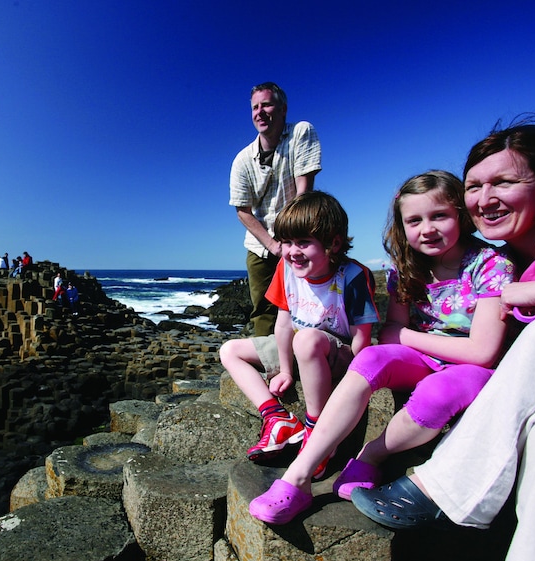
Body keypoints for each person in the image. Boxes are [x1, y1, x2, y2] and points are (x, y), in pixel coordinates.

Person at [349, 119, 535, 561]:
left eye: (504, 181)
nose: (485, 198)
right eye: (474, 186)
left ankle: (438, 486)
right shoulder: (502, 260)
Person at [248, 171, 516, 525]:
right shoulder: (406, 268)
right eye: (414, 220)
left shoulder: (492, 266)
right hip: (420, 357)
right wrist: (402, 337)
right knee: (372, 357)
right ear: (402, 226)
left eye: (439, 216)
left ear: (462, 215)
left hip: (468, 369)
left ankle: (370, 456)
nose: (427, 228)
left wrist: (405, 337)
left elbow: (482, 352)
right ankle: (298, 477)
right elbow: (388, 333)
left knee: (439, 392)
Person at [219, 191, 379, 475]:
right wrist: (285, 371)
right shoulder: (286, 268)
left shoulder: (353, 276)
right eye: (287, 242)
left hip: (335, 352)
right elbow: (282, 323)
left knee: (306, 339)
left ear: (334, 243)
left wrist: (354, 384)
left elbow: (361, 337)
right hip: (296, 346)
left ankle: (317, 432)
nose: (293, 251)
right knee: (229, 350)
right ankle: (276, 418)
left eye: (304, 242)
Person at [229, 82, 322, 336]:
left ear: (283, 109)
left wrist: (291, 242)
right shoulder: (242, 160)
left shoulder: (301, 133)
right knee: (263, 310)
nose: (260, 112)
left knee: (308, 303)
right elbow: (243, 211)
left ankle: (308, 358)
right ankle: (270, 368)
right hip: (260, 245)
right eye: (255, 107)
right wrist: (273, 245)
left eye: (267, 104)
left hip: (299, 235)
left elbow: (304, 191)